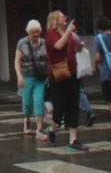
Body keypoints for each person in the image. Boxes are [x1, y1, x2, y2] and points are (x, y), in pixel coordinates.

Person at [42, 10, 88, 152]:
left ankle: (73, 140)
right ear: (55, 19)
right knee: (60, 106)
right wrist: (68, 31)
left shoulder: (68, 35)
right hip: (58, 75)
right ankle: (52, 129)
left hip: (73, 73)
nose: (66, 19)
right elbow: (58, 46)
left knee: (73, 105)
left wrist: (79, 46)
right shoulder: (50, 33)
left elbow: (73, 48)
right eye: (63, 17)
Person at [13, 19, 48, 141]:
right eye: (33, 32)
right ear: (28, 32)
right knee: (27, 104)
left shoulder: (44, 43)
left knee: (39, 102)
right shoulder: (21, 43)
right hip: (26, 77)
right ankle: (27, 120)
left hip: (40, 78)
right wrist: (19, 76)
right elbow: (17, 61)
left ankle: (39, 130)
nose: (36, 34)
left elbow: (49, 59)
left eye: (38, 32)